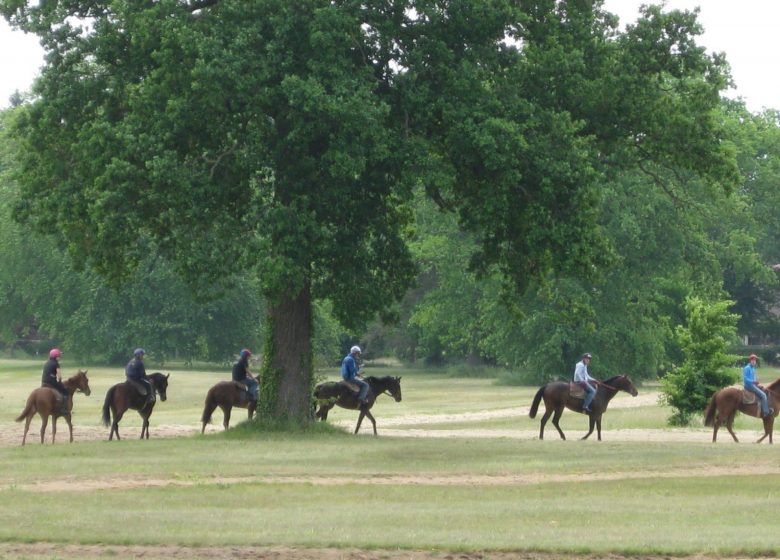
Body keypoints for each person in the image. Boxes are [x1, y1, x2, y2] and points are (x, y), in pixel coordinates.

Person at [743, 353, 774, 418]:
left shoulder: (753, 368)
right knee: (763, 395)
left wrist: (757, 384)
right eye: (753, 360)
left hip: (753, 385)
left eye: (755, 360)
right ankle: (766, 412)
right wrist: (753, 382)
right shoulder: (747, 368)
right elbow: (745, 379)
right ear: (750, 360)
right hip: (748, 385)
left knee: (765, 390)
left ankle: (762, 408)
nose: (754, 361)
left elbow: (753, 379)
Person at [41, 348, 70, 417]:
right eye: (59, 356)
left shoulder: (47, 363)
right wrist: (60, 382)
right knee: (65, 392)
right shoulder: (56, 364)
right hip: (51, 383)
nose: (60, 357)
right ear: (56, 356)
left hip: (44, 382)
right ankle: (63, 409)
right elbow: (59, 376)